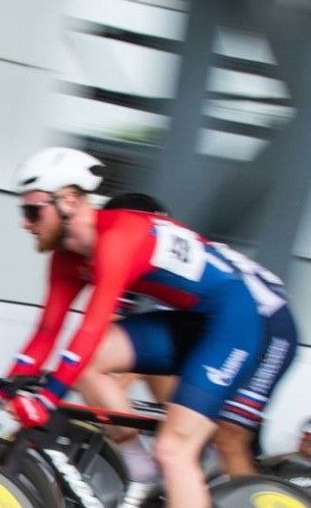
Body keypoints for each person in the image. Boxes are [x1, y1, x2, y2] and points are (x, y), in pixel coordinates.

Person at [0, 147, 284, 508]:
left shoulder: (119, 235)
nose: (24, 223)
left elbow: (89, 328)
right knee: (88, 366)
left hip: (235, 323)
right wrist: (1, 391)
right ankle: (140, 469)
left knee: (176, 447)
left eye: (32, 211)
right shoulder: (66, 256)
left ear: (70, 200)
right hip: (192, 323)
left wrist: (46, 397)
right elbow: (46, 334)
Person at [79, 193, 298, 482]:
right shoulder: (124, 251)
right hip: (221, 326)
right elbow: (114, 332)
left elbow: (139, 362)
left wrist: (114, 391)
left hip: (271, 328)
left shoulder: (164, 255)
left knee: (228, 437)